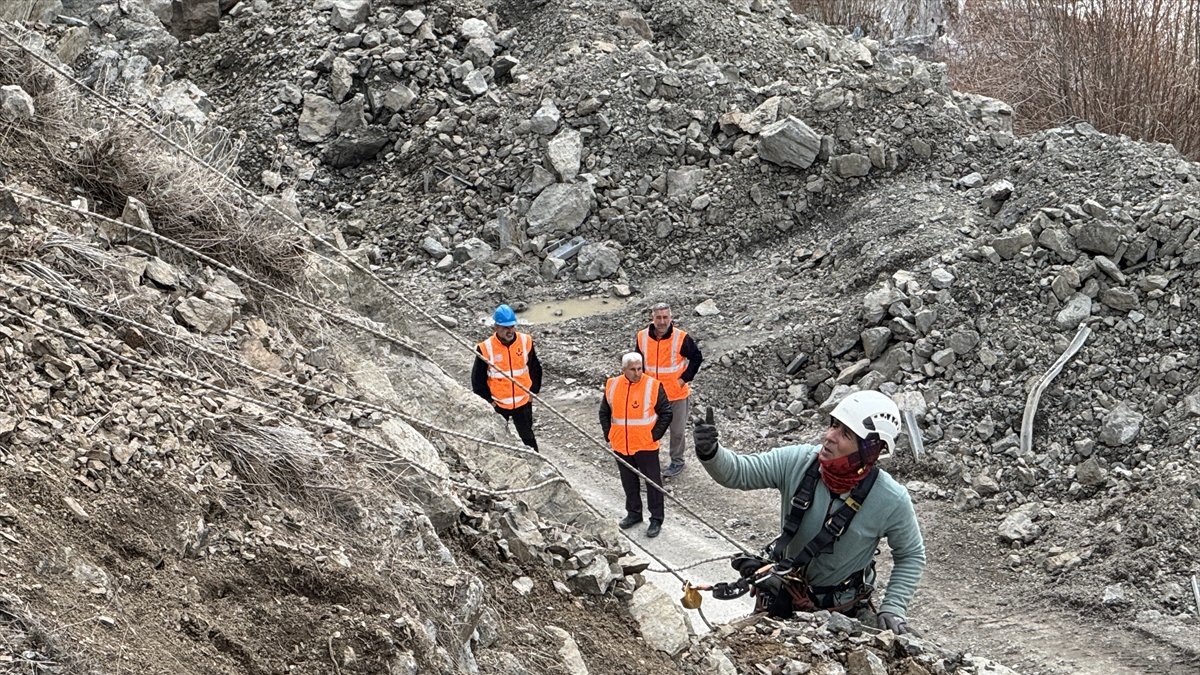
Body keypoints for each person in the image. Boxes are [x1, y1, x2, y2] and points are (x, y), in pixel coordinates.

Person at [693, 390, 925, 633]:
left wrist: (893, 607)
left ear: (870, 449)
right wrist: (712, 453)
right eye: (833, 425)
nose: (829, 437)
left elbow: (911, 554)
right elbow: (739, 472)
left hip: (842, 612)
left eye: (845, 433)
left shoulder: (890, 499)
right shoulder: (799, 461)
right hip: (784, 593)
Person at [599, 352, 672, 538]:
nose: (637, 373)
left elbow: (666, 413)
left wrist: (652, 435)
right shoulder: (612, 385)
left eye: (640, 368)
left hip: (645, 445)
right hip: (621, 445)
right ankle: (634, 514)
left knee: (653, 483)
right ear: (623, 370)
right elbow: (604, 412)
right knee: (628, 482)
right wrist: (610, 435)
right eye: (633, 369)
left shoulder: (653, 385)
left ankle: (656, 518)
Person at [634, 303, 703, 477]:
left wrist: (682, 380)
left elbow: (696, 358)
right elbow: (638, 362)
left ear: (670, 318)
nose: (662, 321)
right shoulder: (642, 337)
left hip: (676, 395)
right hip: (651, 395)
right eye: (659, 317)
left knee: (677, 431)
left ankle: (677, 462)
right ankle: (648, 461)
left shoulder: (681, 338)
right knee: (647, 429)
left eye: (665, 317)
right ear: (653, 318)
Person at [472, 304, 542, 451]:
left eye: (511, 326)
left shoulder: (525, 341)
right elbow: (477, 380)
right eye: (505, 328)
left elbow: (535, 369)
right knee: (499, 438)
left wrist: (532, 393)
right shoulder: (485, 348)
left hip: (523, 402)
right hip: (498, 404)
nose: (509, 330)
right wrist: (489, 401)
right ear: (496, 327)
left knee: (527, 436)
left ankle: (537, 462)